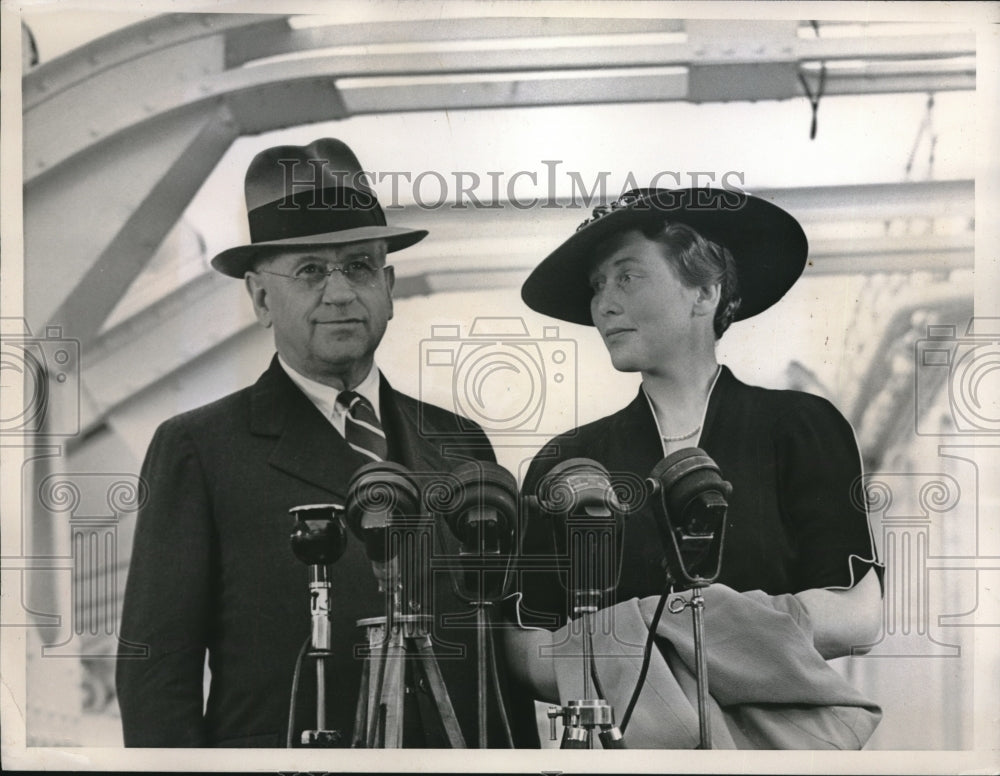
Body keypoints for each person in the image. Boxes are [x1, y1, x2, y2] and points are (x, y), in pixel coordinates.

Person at [116, 139, 506, 747]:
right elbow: (156, 676)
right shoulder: (199, 448)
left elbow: (495, 661)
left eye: (358, 266)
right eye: (311, 271)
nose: (341, 292)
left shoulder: (460, 444)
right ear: (261, 298)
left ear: (390, 285)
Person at [506, 187, 884, 748]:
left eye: (627, 277)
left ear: (705, 291)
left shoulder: (799, 428)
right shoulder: (567, 461)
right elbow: (525, 647)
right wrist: (722, 632)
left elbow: (859, 614)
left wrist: (654, 629)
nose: (604, 304)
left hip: (776, 751)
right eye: (597, 286)